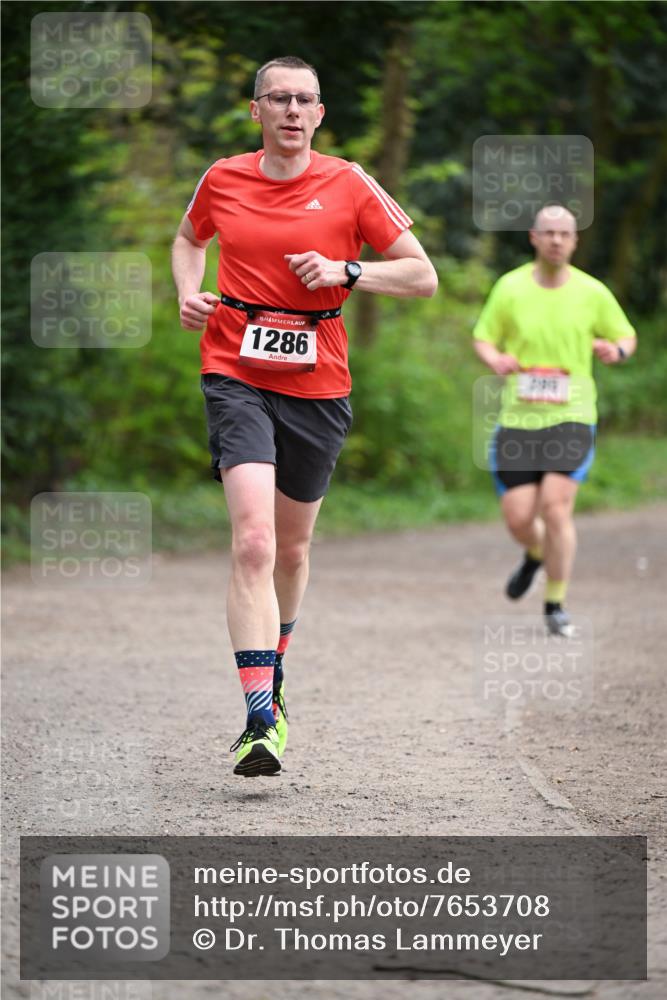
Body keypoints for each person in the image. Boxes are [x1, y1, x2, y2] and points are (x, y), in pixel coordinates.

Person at [172, 56, 437, 776]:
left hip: (318, 384)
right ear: (256, 109)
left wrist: (350, 270)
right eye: (279, 98)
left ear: (320, 114)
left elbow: (422, 275)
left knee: (290, 550)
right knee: (254, 542)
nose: (292, 110)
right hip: (235, 372)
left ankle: (276, 663)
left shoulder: (349, 182)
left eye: (305, 100)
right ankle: (260, 718)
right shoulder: (222, 178)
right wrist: (188, 293)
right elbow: (190, 239)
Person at [473, 205, 636, 636]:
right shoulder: (510, 287)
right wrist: (495, 359)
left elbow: (625, 335)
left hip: (572, 415)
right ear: (534, 237)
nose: (557, 240)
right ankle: (535, 554)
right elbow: (483, 337)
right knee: (518, 518)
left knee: (555, 507)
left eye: (565, 233)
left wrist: (616, 350)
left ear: (575, 240)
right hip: (518, 418)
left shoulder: (592, 292)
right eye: (549, 233)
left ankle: (555, 602)